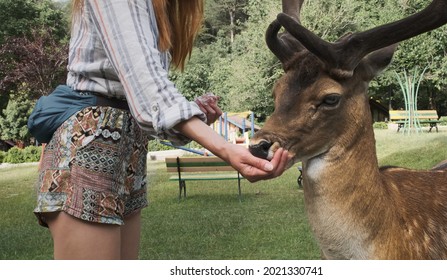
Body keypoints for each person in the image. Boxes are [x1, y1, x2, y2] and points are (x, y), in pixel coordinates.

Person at [33, 0, 290, 260]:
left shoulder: (157, 8)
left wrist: (196, 116)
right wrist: (225, 148)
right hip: (89, 143)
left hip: (127, 147)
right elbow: (147, 86)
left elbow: (142, 98)